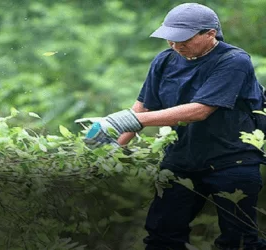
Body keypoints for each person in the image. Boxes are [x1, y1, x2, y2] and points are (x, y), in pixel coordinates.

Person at [77, 3, 266, 250]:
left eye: (183, 39)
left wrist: (125, 120)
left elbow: (200, 110)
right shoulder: (165, 60)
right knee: (162, 236)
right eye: (171, 39)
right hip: (181, 160)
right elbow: (142, 108)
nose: (176, 45)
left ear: (210, 34)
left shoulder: (233, 61)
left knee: (239, 240)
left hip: (233, 161)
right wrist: (110, 149)